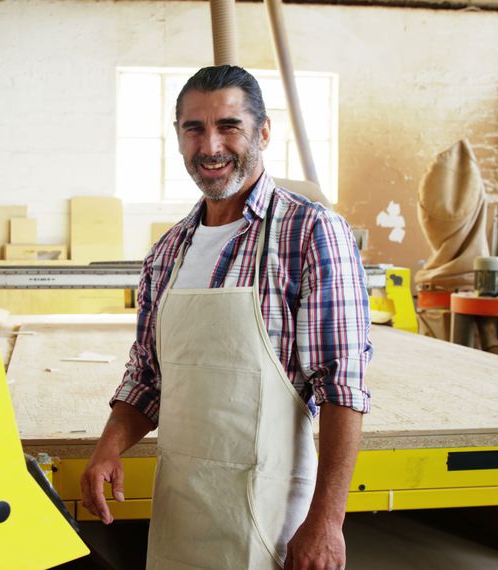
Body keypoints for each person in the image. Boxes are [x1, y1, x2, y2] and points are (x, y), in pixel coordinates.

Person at [80, 65, 372, 570]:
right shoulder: (168, 251)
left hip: (273, 511)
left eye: (229, 126)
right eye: (194, 129)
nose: (210, 145)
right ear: (178, 138)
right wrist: (108, 448)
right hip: (182, 509)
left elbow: (341, 384)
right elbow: (147, 377)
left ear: (262, 132)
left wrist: (326, 520)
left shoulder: (310, 233)